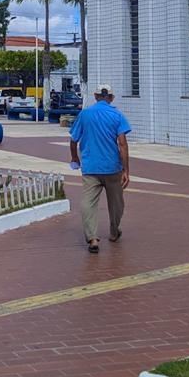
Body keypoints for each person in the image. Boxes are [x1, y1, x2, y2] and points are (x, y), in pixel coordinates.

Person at [68, 84, 131, 254]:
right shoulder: (117, 115)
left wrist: (75, 158)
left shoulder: (85, 114)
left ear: (95, 96)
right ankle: (114, 230)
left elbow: (73, 140)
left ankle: (92, 238)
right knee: (117, 203)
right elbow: (123, 144)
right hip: (112, 167)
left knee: (88, 202)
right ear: (111, 98)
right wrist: (126, 170)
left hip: (90, 168)